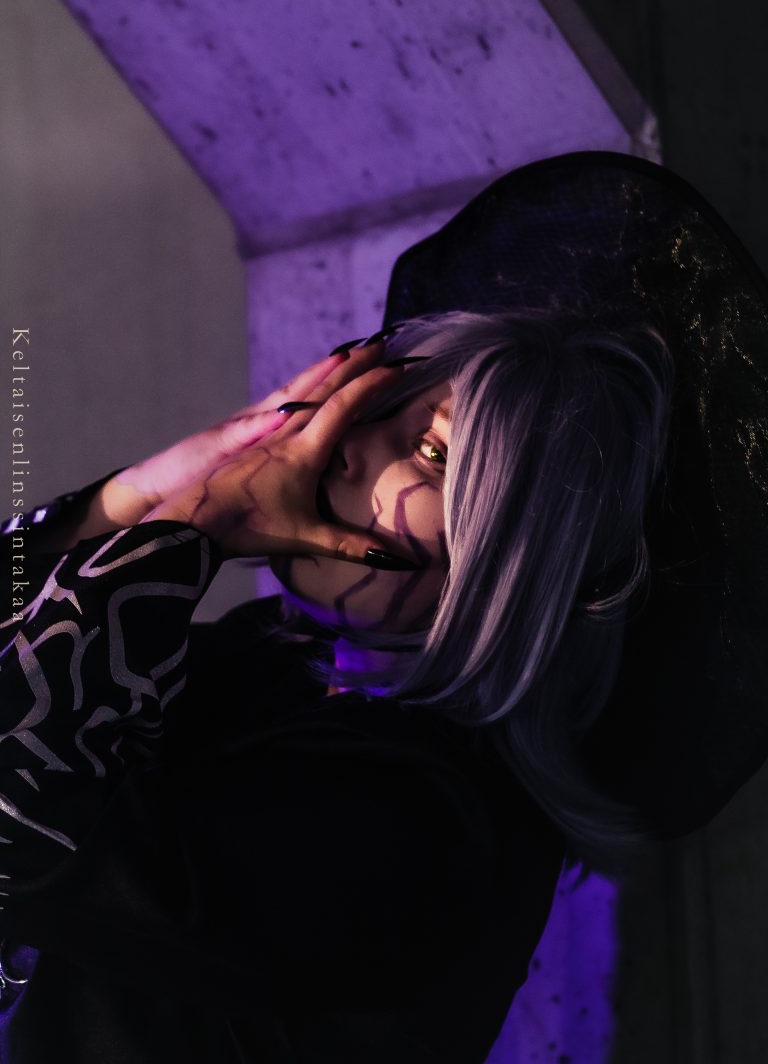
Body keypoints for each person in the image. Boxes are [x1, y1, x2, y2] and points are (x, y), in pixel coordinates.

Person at [0, 150, 765, 1063]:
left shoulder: (421, 832)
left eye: (431, 451)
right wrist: (137, 498)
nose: (340, 443)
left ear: (523, 560)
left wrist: (189, 529)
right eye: (375, 405)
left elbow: (22, 804)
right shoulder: (279, 657)